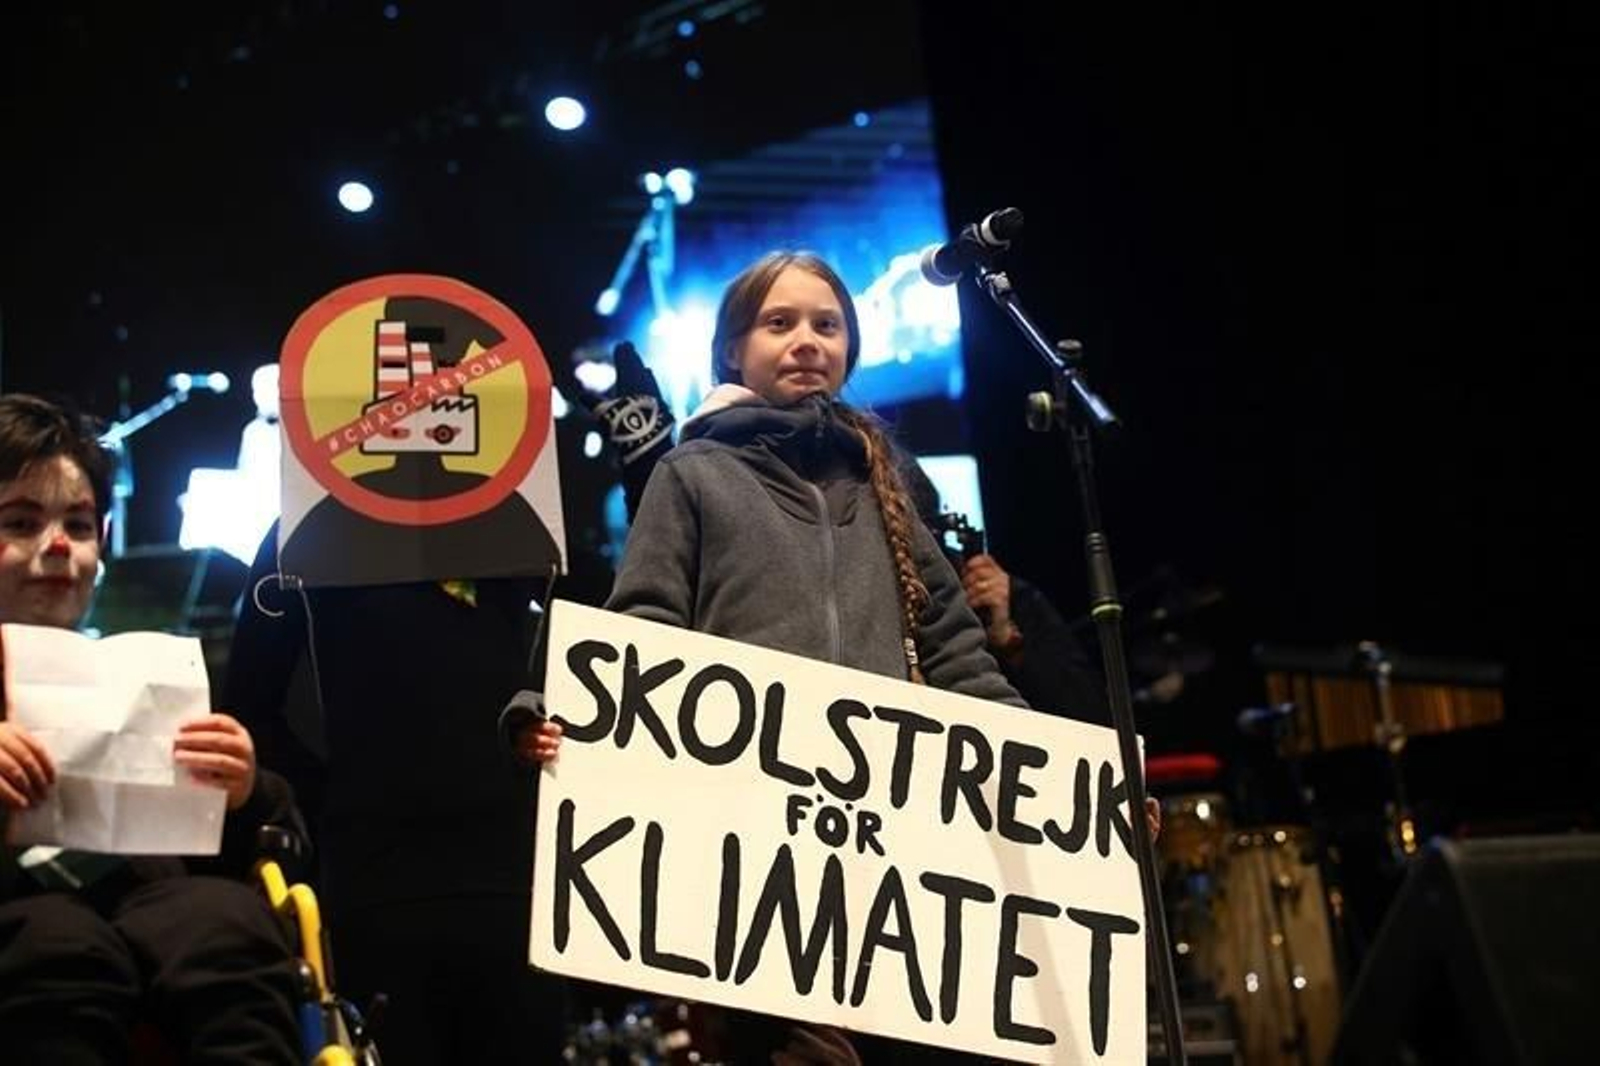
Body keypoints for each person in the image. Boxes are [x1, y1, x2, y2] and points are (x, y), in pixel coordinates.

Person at [0, 393, 302, 1064]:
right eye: (21, 522)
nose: (57, 546)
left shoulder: (156, 678)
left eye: (78, 526)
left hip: (165, 907)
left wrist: (245, 790)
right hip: (28, 931)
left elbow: (276, 850)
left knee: (228, 924)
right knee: (56, 943)